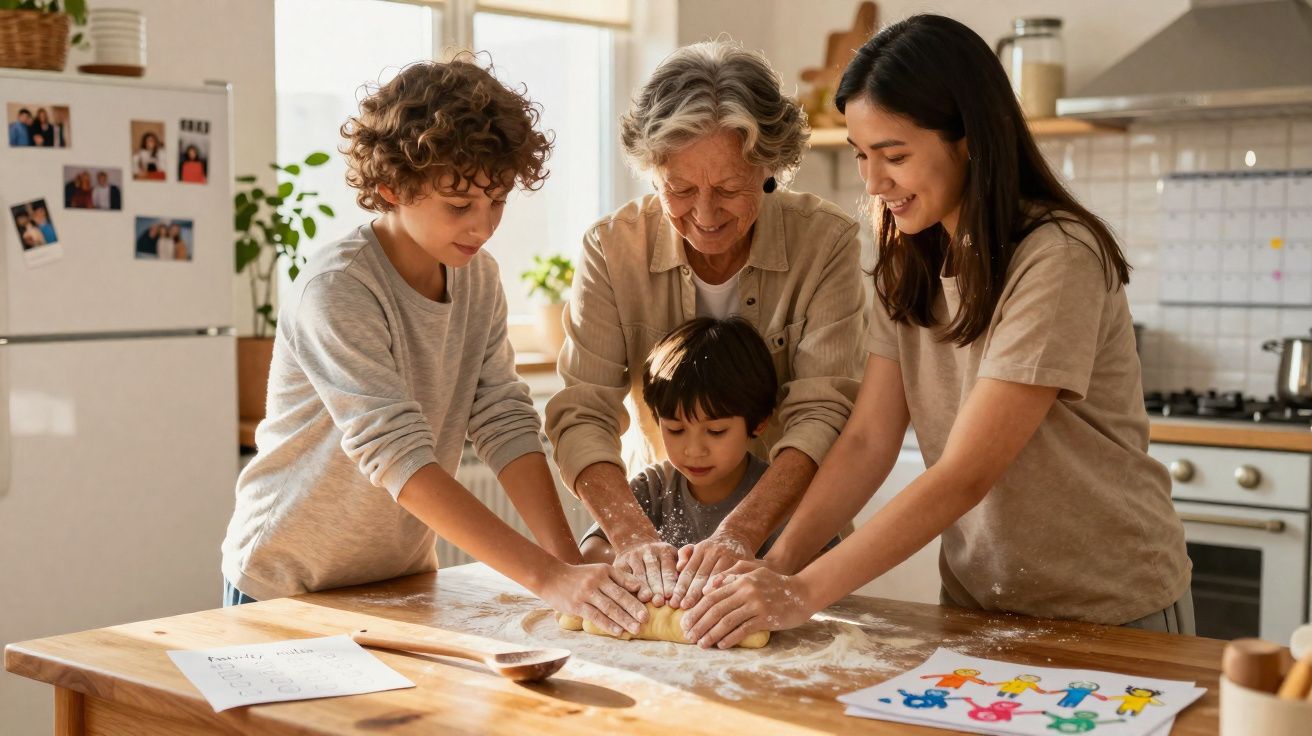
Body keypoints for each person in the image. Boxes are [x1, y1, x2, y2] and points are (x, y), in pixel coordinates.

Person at [683, 14, 1192, 649]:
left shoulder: (1057, 256)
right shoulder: (909, 263)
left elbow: (965, 473)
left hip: (1110, 610)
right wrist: (775, 563)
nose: (873, 182)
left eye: (894, 156)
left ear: (971, 138)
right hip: (979, 603)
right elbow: (869, 439)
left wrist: (803, 592)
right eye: (863, 156)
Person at [219, 58, 647, 637]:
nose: (483, 225)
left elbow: (502, 417)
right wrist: (546, 579)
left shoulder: (478, 276)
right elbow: (396, 454)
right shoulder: (338, 288)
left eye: (496, 201)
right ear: (391, 188)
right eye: (459, 205)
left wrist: (566, 558)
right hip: (286, 585)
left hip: (398, 579)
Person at [544, 39, 865, 613]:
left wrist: (744, 536)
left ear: (770, 168)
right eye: (681, 190)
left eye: (730, 190)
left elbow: (824, 409)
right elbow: (583, 411)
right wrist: (632, 536)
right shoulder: (611, 249)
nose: (706, 215)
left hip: (796, 530)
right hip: (664, 528)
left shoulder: (826, 242)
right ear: (652, 172)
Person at [579, 317, 829, 566]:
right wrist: (656, 564)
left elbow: (822, 565)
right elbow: (591, 551)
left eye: (716, 431)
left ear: (759, 422)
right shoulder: (653, 487)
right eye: (676, 430)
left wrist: (766, 571)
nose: (694, 450)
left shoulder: (780, 493)